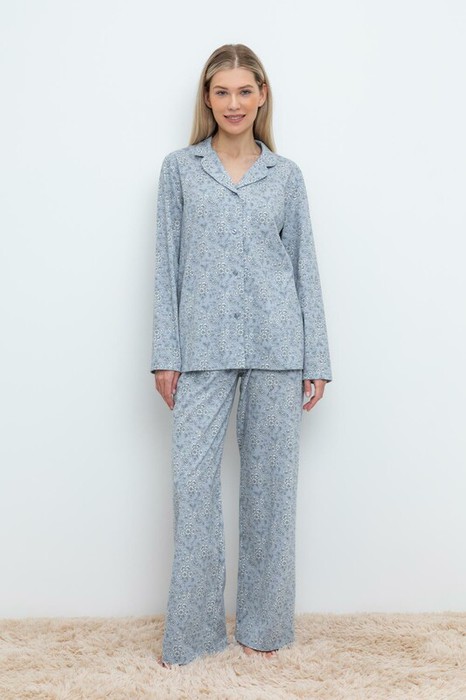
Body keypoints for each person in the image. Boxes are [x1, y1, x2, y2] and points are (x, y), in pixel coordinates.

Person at [151, 43, 332, 668]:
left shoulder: (285, 176)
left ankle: (265, 626)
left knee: (271, 492)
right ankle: (194, 635)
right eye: (222, 91)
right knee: (192, 489)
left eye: (244, 91)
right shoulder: (180, 170)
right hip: (200, 349)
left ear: (262, 96)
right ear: (207, 98)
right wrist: (165, 354)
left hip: (279, 346)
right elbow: (166, 266)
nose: (233, 103)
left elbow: (304, 266)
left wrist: (317, 358)